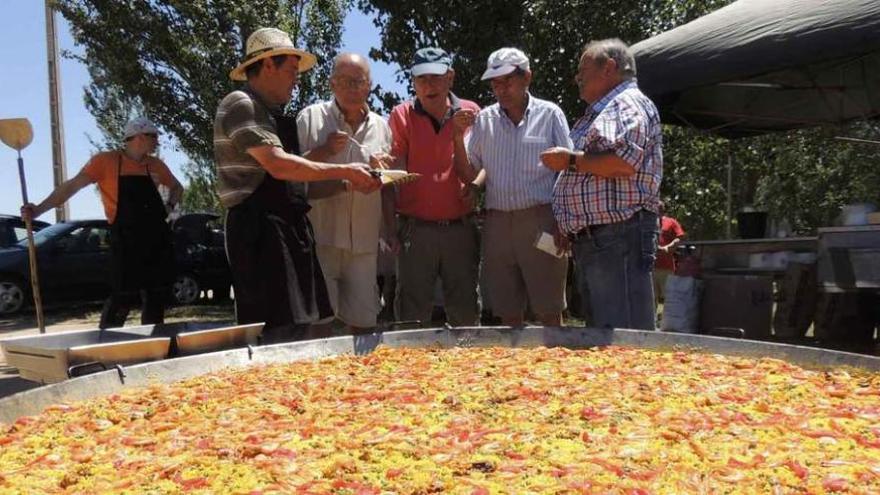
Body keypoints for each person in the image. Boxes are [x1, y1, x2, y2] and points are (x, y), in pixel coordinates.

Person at [215, 28, 381, 344]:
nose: (296, 79)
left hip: (288, 230)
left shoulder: (271, 113)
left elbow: (296, 179)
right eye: (291, 70)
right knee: (271, 331)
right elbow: (278, 165)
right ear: (267, 66)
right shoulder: (241, 103)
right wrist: (345, 170)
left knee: (299, 328)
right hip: (258, 232)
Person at [541, 38, 663, 330]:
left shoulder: (626, 104)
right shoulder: (604, 110)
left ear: (608, 68)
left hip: (617, 237)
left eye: (583, 68)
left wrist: (570, 160)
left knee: (623, 339)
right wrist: (568, 222)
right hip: (600, 240)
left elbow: (622, 162)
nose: (577, 77)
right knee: (604, 338)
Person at [22, 117, 183, 329]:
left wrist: (169, 207)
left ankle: (155, 345)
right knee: (123, 296)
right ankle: (105, 344)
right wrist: (39, 209)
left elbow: (177, 188)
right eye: (154, 137)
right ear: (141, 137)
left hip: (155, 238)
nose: (157, 143)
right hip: (124, 239)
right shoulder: (105, 161)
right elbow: (71, 187)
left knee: (155, 296)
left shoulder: (155, 165)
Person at [452, 47, 572, 327]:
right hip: (497, 224)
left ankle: (559, 366)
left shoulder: (550, 114)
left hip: (542, 218)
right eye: (495, 83)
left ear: (526, 77)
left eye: (507, 80)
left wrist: (564, 222)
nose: (501, 89)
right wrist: (457, 137)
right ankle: (514, 367)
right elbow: (469, 173)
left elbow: (568, 171)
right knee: (507, 311)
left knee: (550, 308)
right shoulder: (484, 120)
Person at [296, 53, 394, 334]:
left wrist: (380, 172)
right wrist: (325, 151)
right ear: (332, 84)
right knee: (319, 328)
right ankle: (318, 380)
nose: (352, 88)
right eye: (344, 81)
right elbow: (294, 180)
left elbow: (383, 184)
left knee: (365, 327)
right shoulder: (310, 119)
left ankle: (362, 378)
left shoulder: (382, 127)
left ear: (370, 85)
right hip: (321, 240)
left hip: (363, 243)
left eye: (359, 81)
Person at [387, 47, 481, 327]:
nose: (429, 85)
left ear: (450, 78)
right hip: (415, 230)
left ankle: (471, 369)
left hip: (461, 227)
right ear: (413, 82)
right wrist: (390, 229)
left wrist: (476, 184)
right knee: (411, 314)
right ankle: (408, 369)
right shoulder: (401, 115)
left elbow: (484, 162)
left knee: (465, 309)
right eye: (421, 78)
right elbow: (395, 171)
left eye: (436, 76)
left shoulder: (472, 112)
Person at [655, 201, 685, 306]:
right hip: (649, 267)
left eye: (658, 206)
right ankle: (653, 321)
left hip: (666, 266)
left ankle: (669, 320)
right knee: (650, 299)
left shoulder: (671, 222)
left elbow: (680, 236)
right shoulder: (647, 223)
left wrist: (668, 247)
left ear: (663, 209)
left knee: (669, 298)